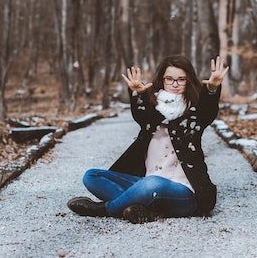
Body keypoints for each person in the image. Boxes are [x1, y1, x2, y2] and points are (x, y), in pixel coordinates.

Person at [67, 55, 229, 224]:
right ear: (162, 80)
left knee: (152, 184)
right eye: (170, 79)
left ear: (188, 81)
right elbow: (141, 113)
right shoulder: (153, 113)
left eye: (181, 79)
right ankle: (145, 209)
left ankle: (106, 209)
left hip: (184, 193)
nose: (175, 84)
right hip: (146, 184)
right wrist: (137, 92)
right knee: (91, 176)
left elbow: (207, 110)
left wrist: (212, 88)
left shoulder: (194, 113)